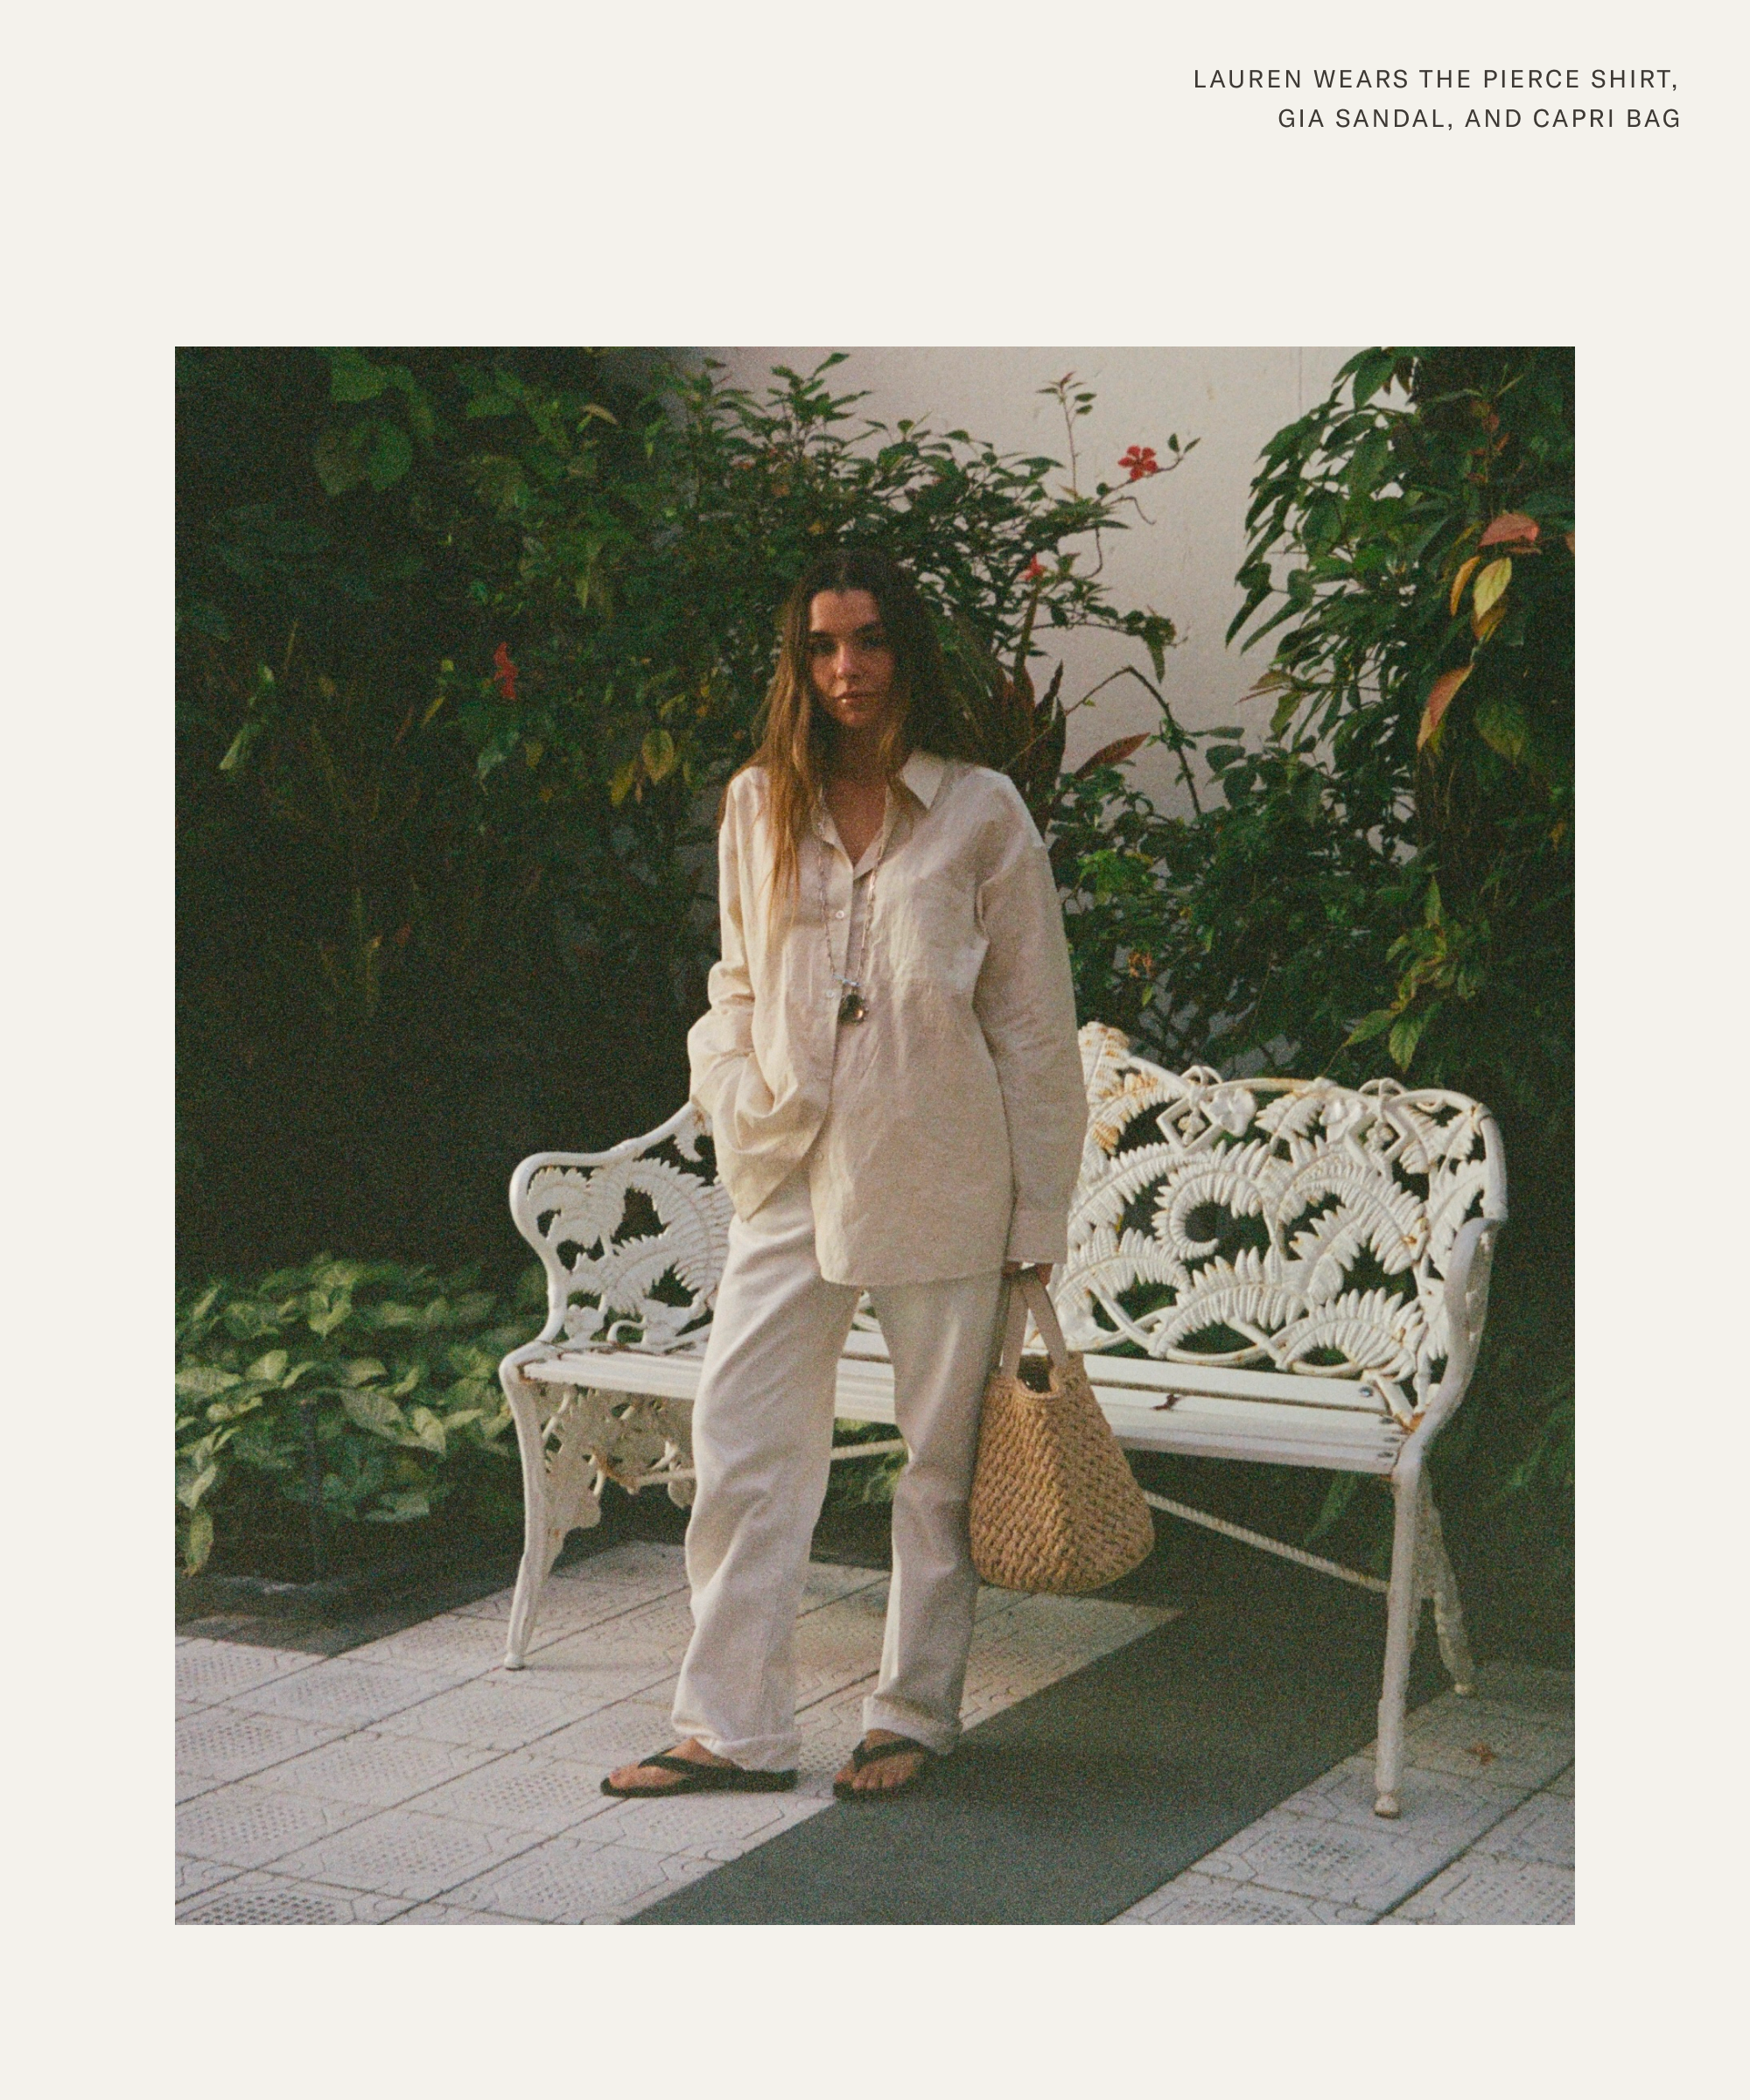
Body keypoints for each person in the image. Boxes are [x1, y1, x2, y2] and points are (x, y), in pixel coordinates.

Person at [602, 547, 1086, 1802]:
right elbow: (735, 985)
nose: (847, 670)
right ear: (798, 665)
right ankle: (732, 1727)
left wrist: (1039, 1216)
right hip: (785, 1170)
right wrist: (731, 1081)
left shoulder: (982, 812)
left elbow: (1034, 1028)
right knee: (744, 1436)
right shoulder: (760, 804)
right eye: (822, 647)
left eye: (868, 642)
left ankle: (911, 1713)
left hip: (941, 1175)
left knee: (935, 1462)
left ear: (906, 655)